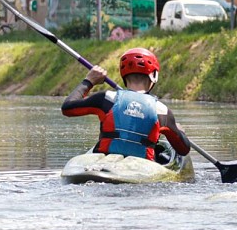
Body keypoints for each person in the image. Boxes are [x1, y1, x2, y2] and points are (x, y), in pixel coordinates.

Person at [61, 48, 191, 162]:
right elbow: (183, 149)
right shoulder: (163, 112)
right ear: (154, 76)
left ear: (123, 75)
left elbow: (67, 108)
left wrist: (89, 81)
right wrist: (179, 132)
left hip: (104, 162)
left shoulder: (106, 99)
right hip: (143, 169)